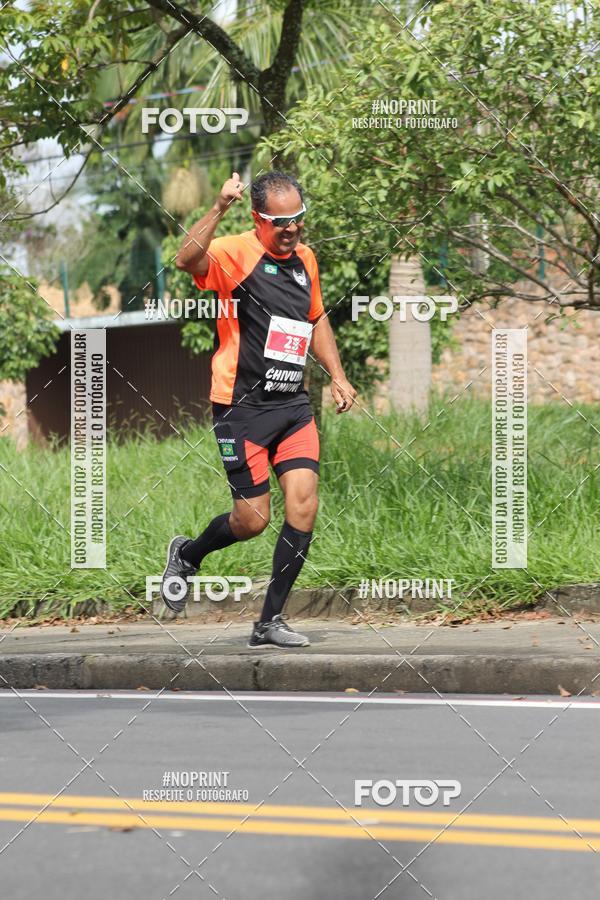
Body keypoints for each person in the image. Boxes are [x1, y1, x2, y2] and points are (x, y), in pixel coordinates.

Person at [160, 170, 356, 648]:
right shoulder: (233, 252)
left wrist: (338, 374)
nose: (290, 230)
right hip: (240, 408)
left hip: (292, 405)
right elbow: (185, 259)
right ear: (257, 218)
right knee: (252, 520)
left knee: (304, 505)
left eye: (298, 220)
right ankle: (188, 553)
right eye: (279, 222)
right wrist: (217, 207)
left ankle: (269, 621)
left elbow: (316, 319)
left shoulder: (305, 259)